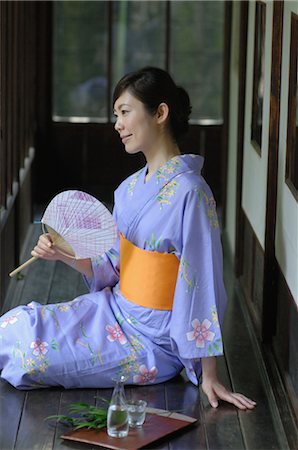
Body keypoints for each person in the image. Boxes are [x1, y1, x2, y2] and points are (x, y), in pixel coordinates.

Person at [0, 67, 256, 411]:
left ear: (160, 113)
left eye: (124, 112)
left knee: (32, 354)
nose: (117, 124)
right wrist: (61, 254)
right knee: (18, 324)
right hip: (115, 309)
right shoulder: (131, 189)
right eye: (116, 114)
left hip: (153, 341)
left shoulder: (192, 194)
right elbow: (110, 265)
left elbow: (202, 283)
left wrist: (209, 374)